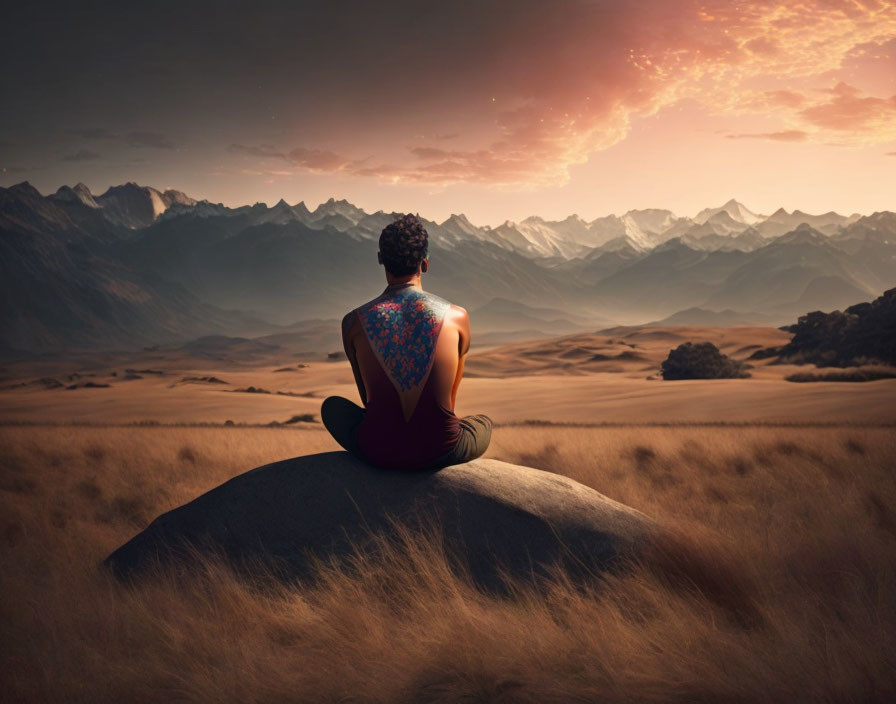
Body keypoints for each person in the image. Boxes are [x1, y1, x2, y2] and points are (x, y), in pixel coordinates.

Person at [321, 213, 492, 471]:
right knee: (483, 424)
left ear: (381, 260)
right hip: (440, 448)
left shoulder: (353, 322)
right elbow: (449, 402)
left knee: (331, 408)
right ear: (424, 264)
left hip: (378, 449)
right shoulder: (458, 317)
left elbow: (367, 399)